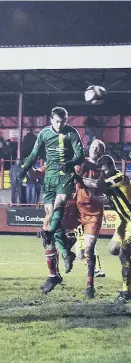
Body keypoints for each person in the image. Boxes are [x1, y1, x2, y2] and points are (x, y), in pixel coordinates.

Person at [17, 107, 85, 294]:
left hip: (66, 177)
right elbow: (33, 154)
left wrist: (70, 163)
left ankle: (62, 258)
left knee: (59, 206)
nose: (60, 124)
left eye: (63, 121)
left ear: (66, 120)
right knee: (49, 223)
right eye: (57, 121)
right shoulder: (45, 134)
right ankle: (63, 259)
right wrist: (23, 170)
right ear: (51, 119)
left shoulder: (72, 133)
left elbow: (81, 155)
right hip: (49, 178)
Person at [81, 155, 131, 303]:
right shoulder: (109, 181)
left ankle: (126, 292)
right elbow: (107, 197)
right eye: (101, 171)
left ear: (111, 167)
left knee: (124, 254)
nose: (103, 173)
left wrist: (78, 178)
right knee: (114, 249)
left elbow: (97, 185)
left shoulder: (119, 178)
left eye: (104, 170)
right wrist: (92, 197)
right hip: (125, 221)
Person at [63, 139, 106, 298]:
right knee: (54, 231)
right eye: (94, 146)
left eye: (98, 147)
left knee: (88, 249)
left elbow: (98, 186)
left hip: (93, 212)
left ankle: (90, 285)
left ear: (102, 152)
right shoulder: (81, 163)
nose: (95, 149)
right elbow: (75, 179)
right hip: (76, 210)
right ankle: (57, 269)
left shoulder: (103, 168)